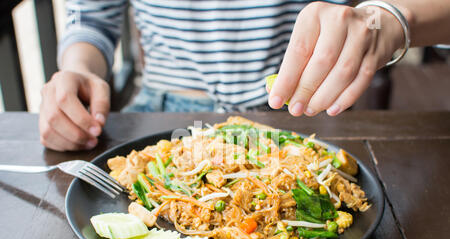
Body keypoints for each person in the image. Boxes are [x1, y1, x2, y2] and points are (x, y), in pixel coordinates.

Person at [39, 0, 450, 151]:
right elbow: (92, 17)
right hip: (161, 113)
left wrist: (393, 18)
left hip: (312, 115)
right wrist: (77, 71)